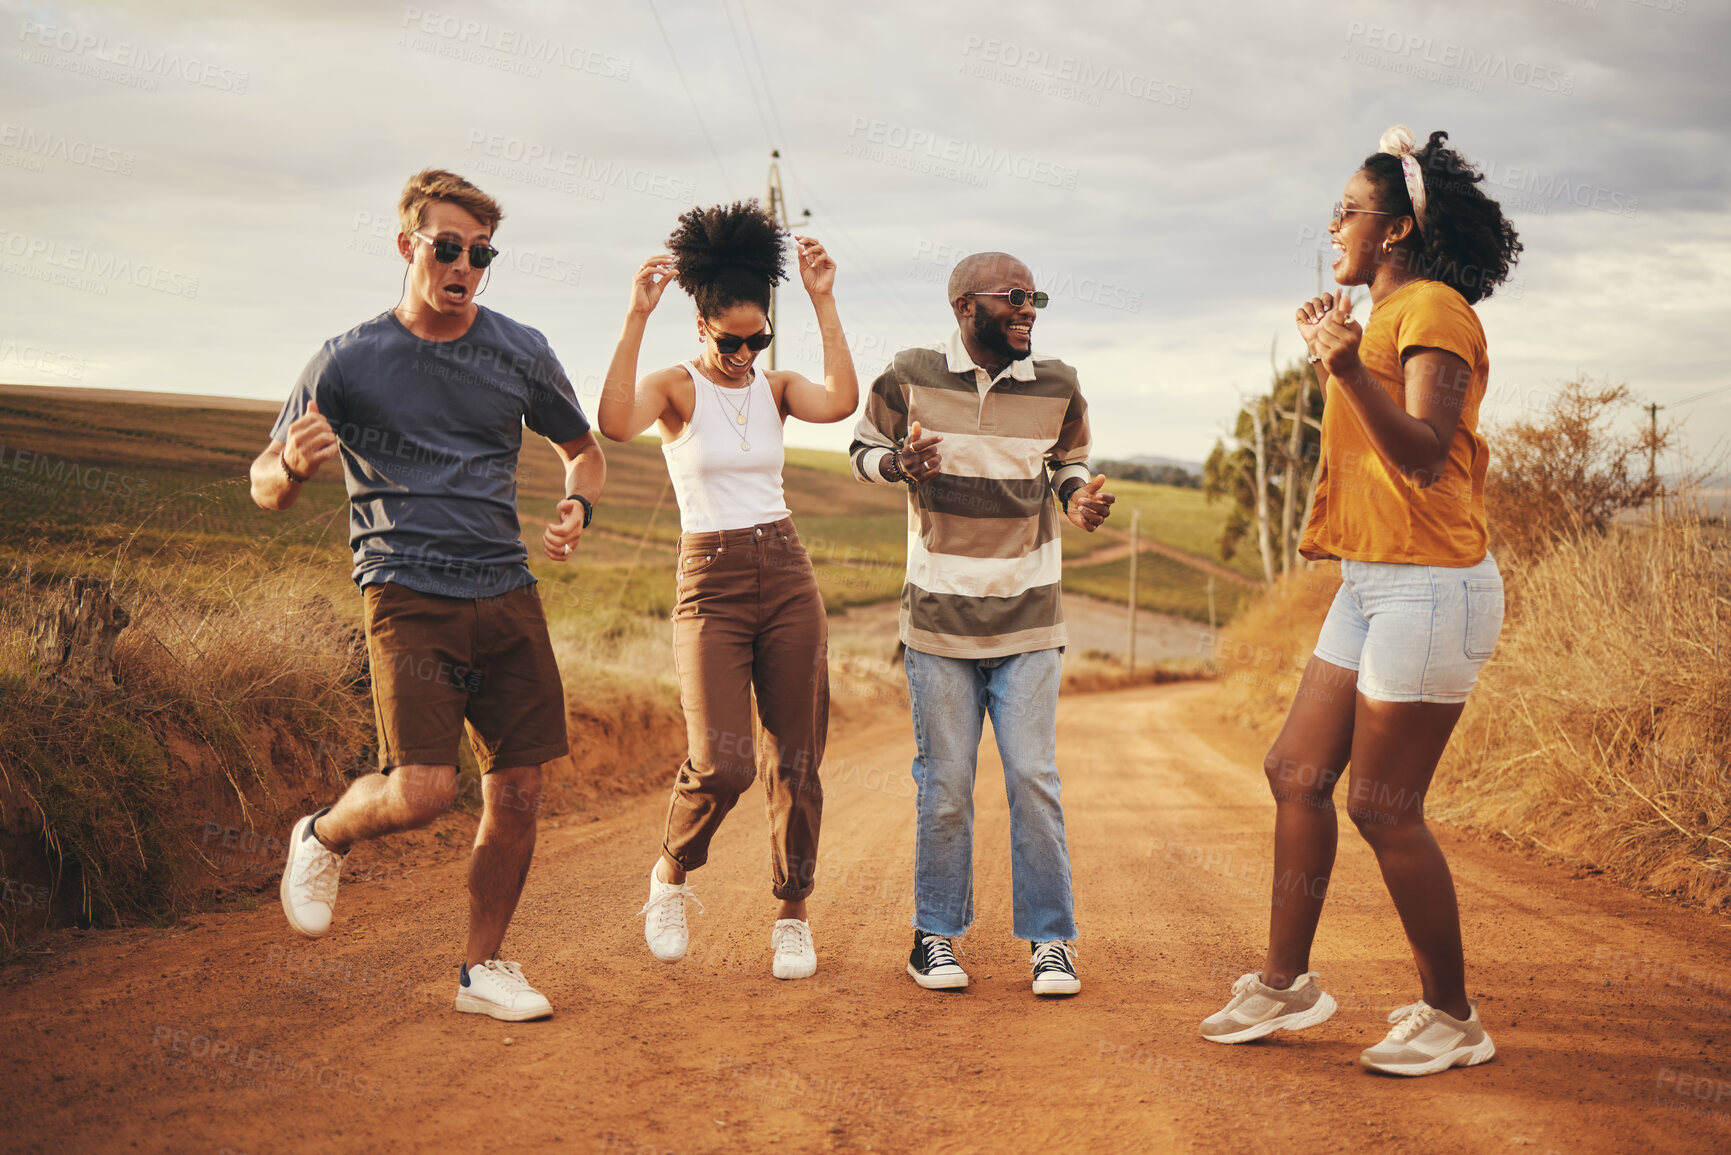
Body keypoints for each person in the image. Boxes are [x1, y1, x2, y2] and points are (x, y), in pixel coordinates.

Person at [1199, 127, 1522, 1075]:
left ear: (1396, 230)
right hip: (1371, 580)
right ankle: (1288, 983)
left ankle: (1453, 1015)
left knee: (1383, 805)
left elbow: (1424, 455)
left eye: (1347, 208)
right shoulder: (1381, 316)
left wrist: (1343, 369)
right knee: (1297, 774)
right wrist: (1339, 353)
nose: (1332, 223)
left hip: (1434, 585)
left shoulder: (1436, 309)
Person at [251, 168, 604, 1022]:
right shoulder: (350, 357)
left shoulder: (519, 347)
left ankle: (481, 970)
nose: (464, 267)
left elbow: (582, 448)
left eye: (481, 254)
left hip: (507, 590)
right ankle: (323, 833)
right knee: (422, 791)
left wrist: (576, 503)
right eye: (448, 248)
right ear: (408, 246)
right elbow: (264, 482)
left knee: (519, 789)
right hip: (408, 592)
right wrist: (293, 466)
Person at [596, 201, 858, 980]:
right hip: (708, 580)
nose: (745, 353)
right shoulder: (674, 389)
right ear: (702, 324)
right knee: (724, 761)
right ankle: (671, 872)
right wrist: (634, 316)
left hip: (784, 572)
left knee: (797, 759)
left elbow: (841, 400)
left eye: (758, 338)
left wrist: (822, 299)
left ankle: (791, 912)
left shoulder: (776, 388)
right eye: (730, 339)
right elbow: (613, 422)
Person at [848, 251, 1114, 997]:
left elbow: (1065, 464)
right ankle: (933, 935)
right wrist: (899, 465)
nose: (1029, 310)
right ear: (966, 307)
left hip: (1029, 614)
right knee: (947, 784)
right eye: (1014, 298)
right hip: (936, 621)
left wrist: (1077, 499)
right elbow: (861, 452)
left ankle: (1049, 941)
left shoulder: (1057, 384)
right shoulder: (907, 375)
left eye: (1036, 298)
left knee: (1032, 776)